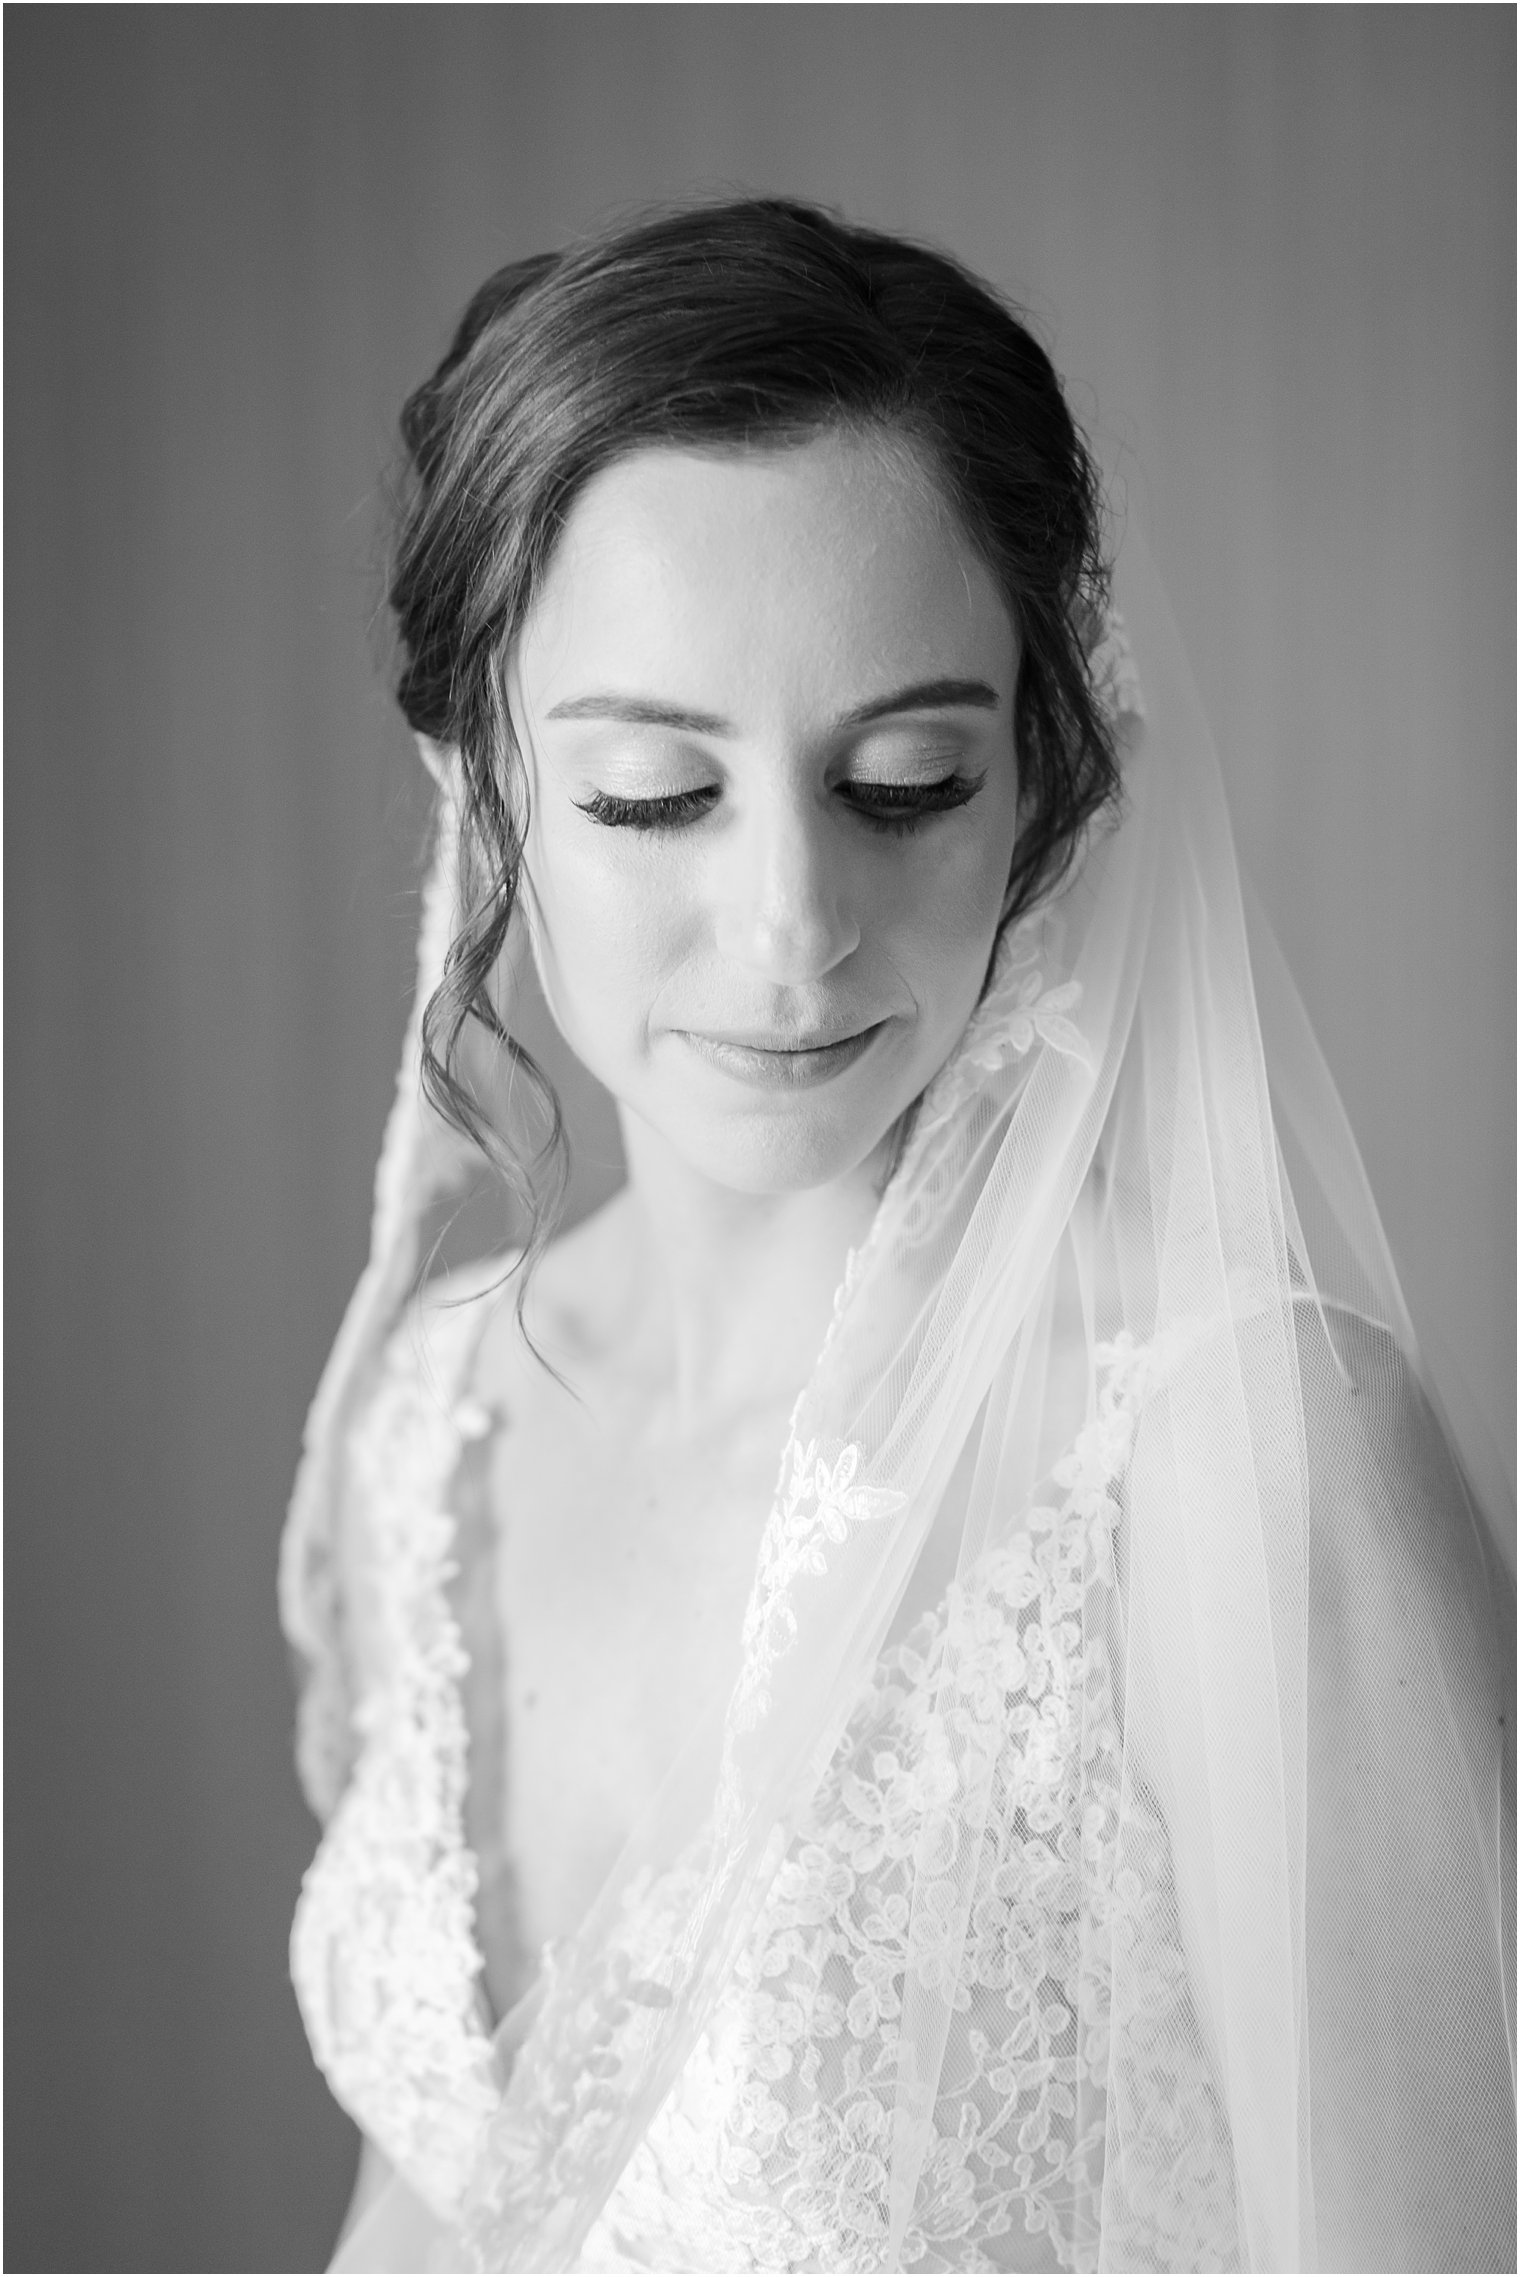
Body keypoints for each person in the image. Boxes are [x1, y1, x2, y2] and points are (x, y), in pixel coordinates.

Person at [281, 200, 1514, 2274]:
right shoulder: (437, 1418)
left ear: (1040, 773)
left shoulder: (1236, 1446)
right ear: (480, 791)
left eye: (906, 776)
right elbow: (441, 2191)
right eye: (657, 795)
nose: (792, 930)